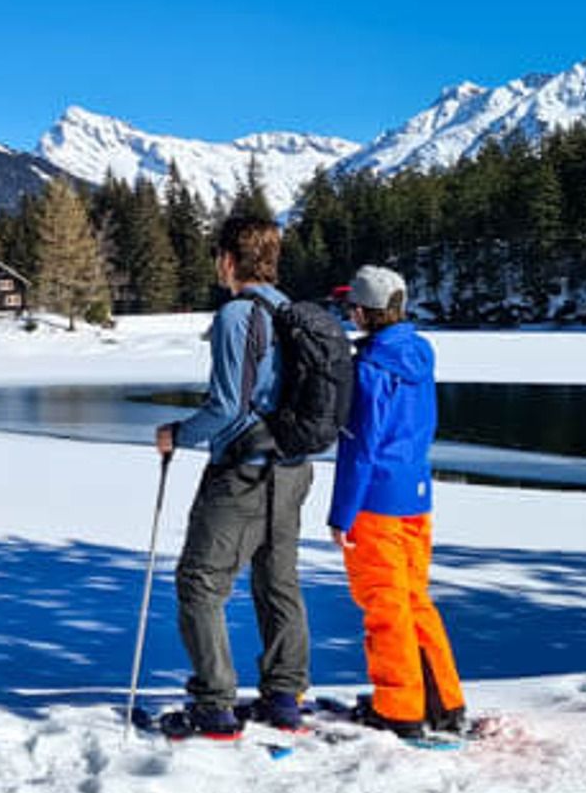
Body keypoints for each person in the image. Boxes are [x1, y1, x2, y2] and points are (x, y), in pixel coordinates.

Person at [153, 217, 314, 738]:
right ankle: (284, 699)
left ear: (228, 259)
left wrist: (178, 433)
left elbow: (226, 404)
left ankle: (215, 704)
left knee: (199, 583)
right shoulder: (290, 309)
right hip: (292, 469)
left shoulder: (237, 315)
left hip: (243, 470)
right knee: (277, 582)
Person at [327, 265, 467, 737]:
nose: (349, 313)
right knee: (414, 600)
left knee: (385, 606)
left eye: (352, 306)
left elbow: (360, 447)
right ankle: (444, 701)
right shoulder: (420, 354)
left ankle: (400, 708)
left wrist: (341, 513)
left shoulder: (369, 370)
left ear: (365, 311)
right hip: (416, 493)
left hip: (376, 501)